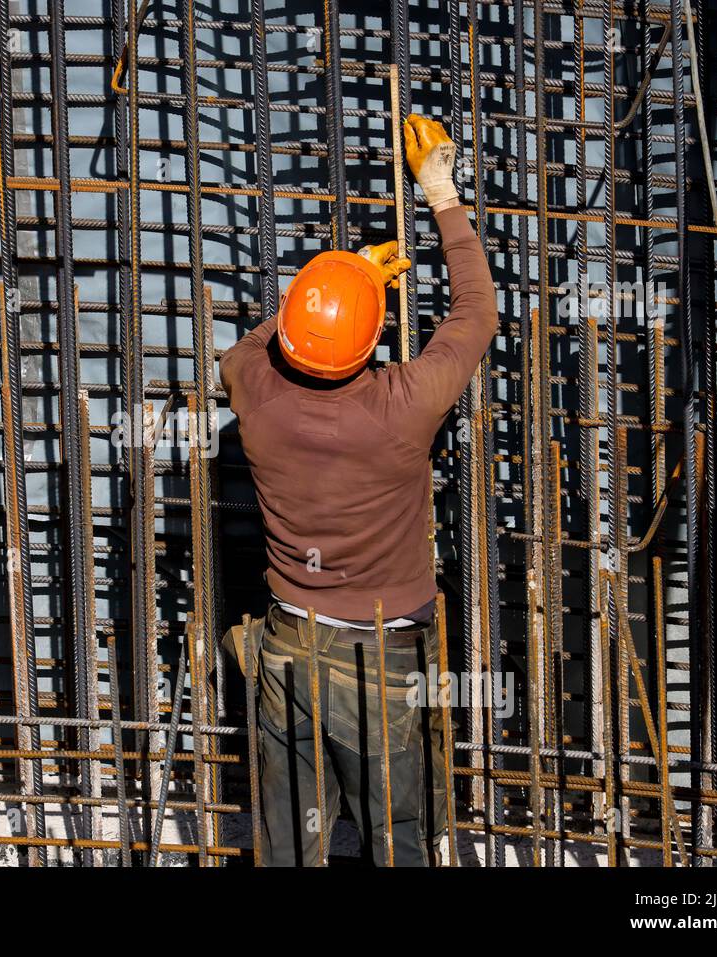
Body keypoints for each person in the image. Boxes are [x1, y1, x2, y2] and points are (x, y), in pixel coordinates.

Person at [220, 114, 498, 866]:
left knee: (288, 839)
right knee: (400, 835)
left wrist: (343, 280)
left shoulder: (251, 386)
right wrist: (440, 192)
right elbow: (476, 313)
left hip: (285, 646)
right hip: (378, 659)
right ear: (372, 343)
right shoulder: (401, 407)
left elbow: (260, 342)